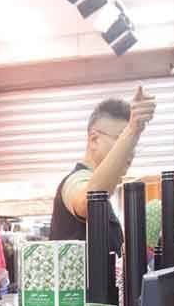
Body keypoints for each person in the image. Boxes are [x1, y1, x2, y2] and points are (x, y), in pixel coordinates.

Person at [49, 88, 157, 252]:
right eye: (121, 139)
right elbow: (90, 201)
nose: (129, 151)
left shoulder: (107, 192)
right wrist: (132, 130)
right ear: (94, 140)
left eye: (132, 144)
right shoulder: (75, 180)